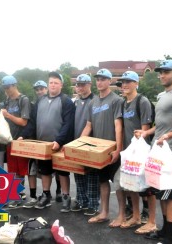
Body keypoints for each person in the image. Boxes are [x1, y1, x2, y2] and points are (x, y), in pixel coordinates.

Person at [136, 60, 172, 244]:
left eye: (166, 72)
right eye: (160, 72)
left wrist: (169, 136)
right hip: (157, 151)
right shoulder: (161, 95)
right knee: (161, 193)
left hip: (171, 152)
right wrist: (146, 132)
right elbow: (160, 125)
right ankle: (163, 231)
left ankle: (170, 237)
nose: (162, 75)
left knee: (171, 196)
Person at [20, 71, 75, 212]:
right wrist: (24, 136)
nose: (53, 85)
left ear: (61, 85)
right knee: (45, 171)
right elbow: (32, 122)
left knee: (62, 172)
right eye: (51, 82)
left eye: (56, 83)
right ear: (48, 84)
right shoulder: (40, 101)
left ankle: (66, 197)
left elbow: (68, 124)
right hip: (43, 145)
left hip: (59, 144)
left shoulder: (66, 101)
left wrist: (59, 140)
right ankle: (46, 195)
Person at [113, 71, 156, 233]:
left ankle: (151, 220)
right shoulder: (124, 103)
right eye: (122, 82)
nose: (124, 85)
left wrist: (137, 148)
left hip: (141, 151)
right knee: (131, 185)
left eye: (128, 82)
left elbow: (145, 129)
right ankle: (136, 216)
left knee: (148, 188)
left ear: (136, 83)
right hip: (129, 151)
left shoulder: (142, 101)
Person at [81, 68, 123, 226]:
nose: (99, 82)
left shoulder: (116, 100)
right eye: (97, 79)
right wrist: (77, 145)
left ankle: (121, 215)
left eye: (103, 79)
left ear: (110, 81)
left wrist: (118, 149)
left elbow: (119, 126)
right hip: (99, 151)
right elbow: (88, 126)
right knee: (103, 181)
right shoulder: (93, 102)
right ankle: (104, 212)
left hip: (113, 149)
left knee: (119, 185)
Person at [70, 74, 100, 216]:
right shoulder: (75, 102)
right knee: (78, 173)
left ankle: (93, 203)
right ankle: (82, 200)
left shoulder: (94, 101)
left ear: (89, 85)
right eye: (78, 85)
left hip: (90, 142)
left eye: (83, 84)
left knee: (91, 175)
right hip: (76, 141)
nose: (80, 87)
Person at [1, 75, 31, 207]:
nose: (6, 90)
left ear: (14, 85)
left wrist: (8, 115)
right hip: (9, 139)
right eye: (4, 88)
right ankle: (17, 193)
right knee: (12, 169)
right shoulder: (7, 100)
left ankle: (18, 195)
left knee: (21, 170)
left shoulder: (23, 100)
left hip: (20, 140)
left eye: (8, 87)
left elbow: (23, 122)